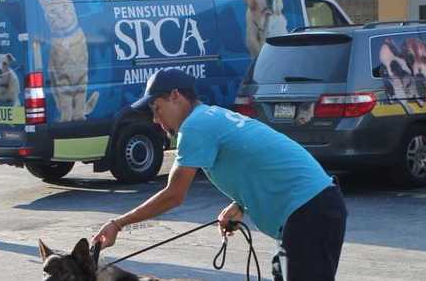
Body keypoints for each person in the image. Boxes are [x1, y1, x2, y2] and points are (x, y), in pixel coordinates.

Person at [92, 68, 348, 281]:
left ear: (175, 96)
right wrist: (240, 204)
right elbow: (257, 160)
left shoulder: (194, 126)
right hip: (312, 210)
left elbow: (173, 195)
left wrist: (118, 224)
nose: (157, 121)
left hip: (310, 213)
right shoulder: (211, 116)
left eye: (157, 109)